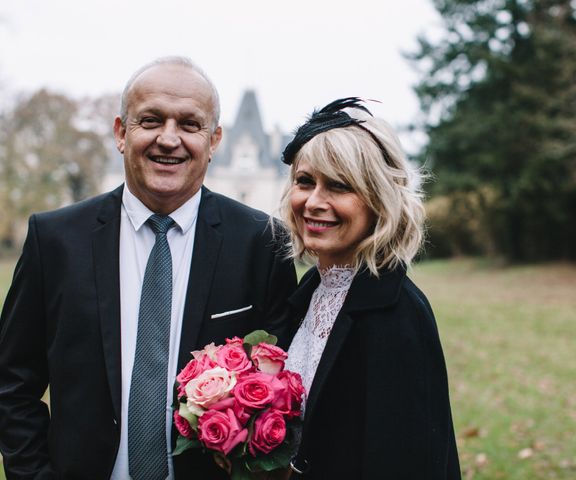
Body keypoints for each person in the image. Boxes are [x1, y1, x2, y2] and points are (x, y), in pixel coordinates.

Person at [0, 56, 297, 479]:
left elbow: (283, 392)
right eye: (151, 120)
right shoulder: (54, 241)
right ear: (122, 132)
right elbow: (13, 383)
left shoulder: (263, 244)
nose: (169, 139)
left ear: (214, 141)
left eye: (190, 125)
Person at [278, 98, 461, 479]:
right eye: (306, 181)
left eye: (339, 186)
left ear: (378, 200)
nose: (314, 202)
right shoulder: (307, 294)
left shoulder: (397, 316)